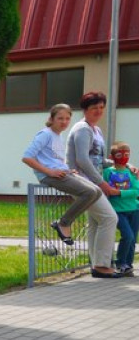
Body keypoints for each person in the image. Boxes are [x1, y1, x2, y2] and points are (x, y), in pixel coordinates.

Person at [22, 103, 101, 245]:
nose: (64, 122)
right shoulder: (45, 134)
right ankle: (64, 223)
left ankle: (64, 222)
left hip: (62, 173)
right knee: (89, 192)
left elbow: (54, 158)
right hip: (50, 176)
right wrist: (49, 172)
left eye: (67, 119)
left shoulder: (58, 135)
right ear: (51, 119)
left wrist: (67, 169)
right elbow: (27, 157)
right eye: (60, 118)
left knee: (97, 191)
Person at [66, 91, 121, 278]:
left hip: (93, 184)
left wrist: (124, 165)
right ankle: (102, 265)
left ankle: (96, 264)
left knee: (97, 222)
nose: (98, 111)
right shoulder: (83, 129)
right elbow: (82, 160)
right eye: (94, 108)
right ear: (85, 109)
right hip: (84, 184)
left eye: (101, 107)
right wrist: (102, 184)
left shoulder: (96, 130)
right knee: (109, 218)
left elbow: (97, 159)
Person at [103, 141, 139, 276]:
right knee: (127, 236)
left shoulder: (131, 172)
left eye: (126, 154)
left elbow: (137, 191)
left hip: (134, 209)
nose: (123, 157)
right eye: (119, 154)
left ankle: (128, 265)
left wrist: (118, 193)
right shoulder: (107, 172)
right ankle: (120, 262)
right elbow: (105, 188)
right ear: (112, 156)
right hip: (118, 210)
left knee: (132, 239)